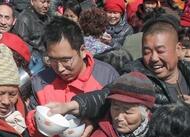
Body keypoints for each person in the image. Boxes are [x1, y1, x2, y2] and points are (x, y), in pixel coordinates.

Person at [26, 17, 119, 137]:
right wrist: (39, 123)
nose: (60, 68)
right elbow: (33, 136)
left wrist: (94, 123)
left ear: (83, 51)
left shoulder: (106, 76)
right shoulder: (40, 81)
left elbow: (120, 123)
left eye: (66, 60)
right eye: (53, 60)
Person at [49, 15, 190, 123]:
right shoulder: (136, 74)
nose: (153, 58)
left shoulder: (186, 70)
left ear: (178, 49)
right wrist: (72, 106)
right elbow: (105, 95)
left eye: (160, 51)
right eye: (147, 51)